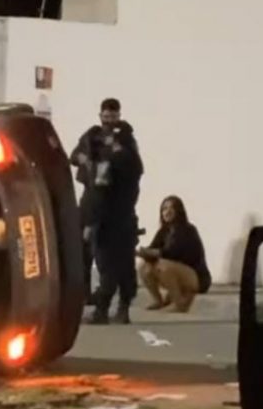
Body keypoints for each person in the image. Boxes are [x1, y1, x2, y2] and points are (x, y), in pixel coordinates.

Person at [72, 98, 143, 324]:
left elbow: (134, 167)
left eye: (114, 115)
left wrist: (113, 153)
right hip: (96, 208)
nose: (110, 120)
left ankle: (113, 306)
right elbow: (75, 156)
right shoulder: (92, 137)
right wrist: (88, 161)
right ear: (101, 115)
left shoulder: (125, 141)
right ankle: (94, 301)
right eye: (107, 115)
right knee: (98, 259)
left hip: (117, 212)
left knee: (115, 263)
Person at [138, 196, 212, 313]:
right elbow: (152, 249)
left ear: (179, 211)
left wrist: (150, 252)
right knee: (143, 267)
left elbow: (171, 253)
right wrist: (140, 252)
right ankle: (158, 300)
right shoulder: (164, 231)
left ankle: (179, 304)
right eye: (164, 209)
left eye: (171, 208)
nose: (167, 212)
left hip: (196, 277)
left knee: (162, 265)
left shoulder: (188, 230)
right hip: (176, 272)